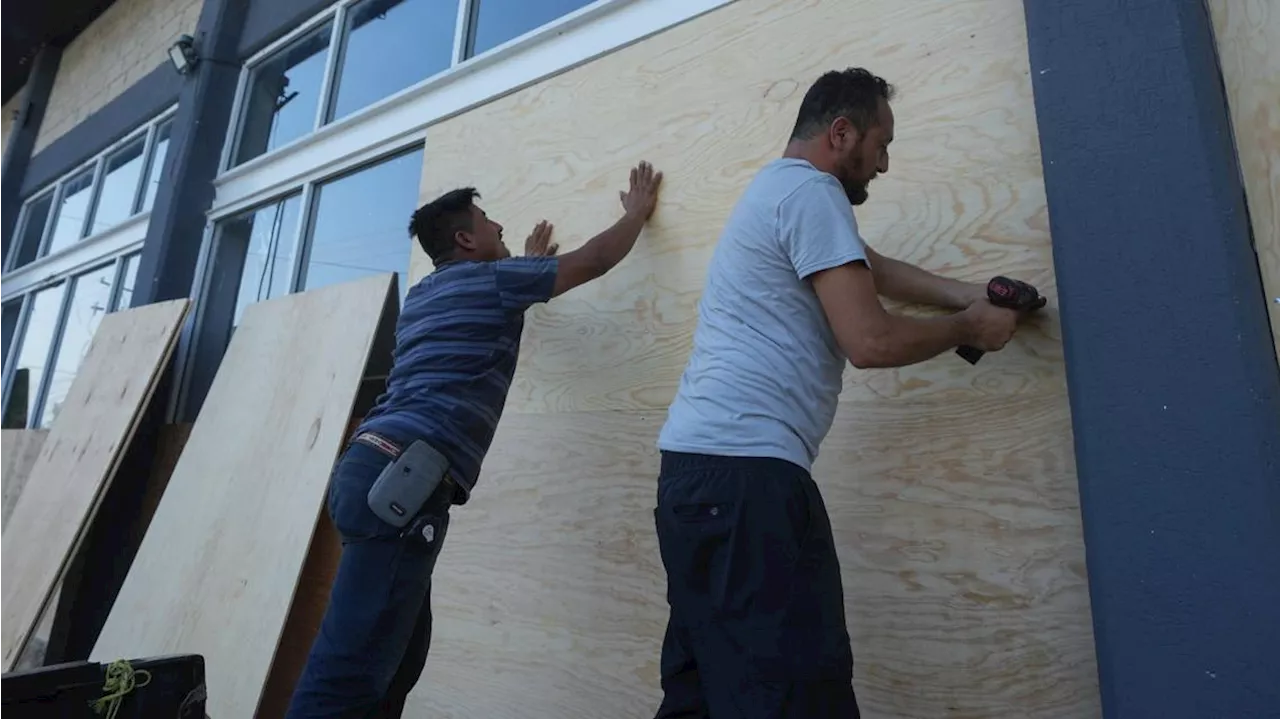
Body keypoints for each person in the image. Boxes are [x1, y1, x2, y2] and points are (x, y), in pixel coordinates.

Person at [650, 68, 1040, 717]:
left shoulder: (776, 192)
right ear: (841, 132)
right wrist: (968, 327)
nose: (884, 163)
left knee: (702, 694)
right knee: (797, 693)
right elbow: (871, 341)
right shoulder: (811, 193)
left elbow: (874, 269)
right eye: (881, 143)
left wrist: (969, 292)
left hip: (692, 481)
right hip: (749, 484)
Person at [285, 161, 664, 718]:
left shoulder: (426, 295)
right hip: (400, 483)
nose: (500, 229)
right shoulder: (493, 283)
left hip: (373, 469)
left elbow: (487, 312)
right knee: (351, 672)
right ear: (465, 239)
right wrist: (634, 214)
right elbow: (596, 260)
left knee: (399, 656)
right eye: (490, 224)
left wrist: (527, 267)